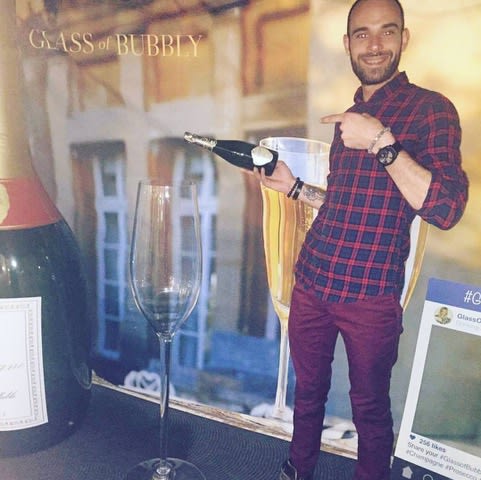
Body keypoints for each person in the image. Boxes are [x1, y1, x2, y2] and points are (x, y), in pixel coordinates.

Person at [254, 0, 469, 479]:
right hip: (313, 279)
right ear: (347, 43)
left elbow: (446, 209)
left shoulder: (431, 110)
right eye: (362, 34)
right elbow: (343, 203)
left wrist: (381, 141)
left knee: (369, 409)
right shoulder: (350, 117)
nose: (374, 45)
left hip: (370, 295)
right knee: (308, 393)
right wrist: (294, 187)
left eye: (386, 32)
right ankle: (298, 470)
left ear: (404, 39)